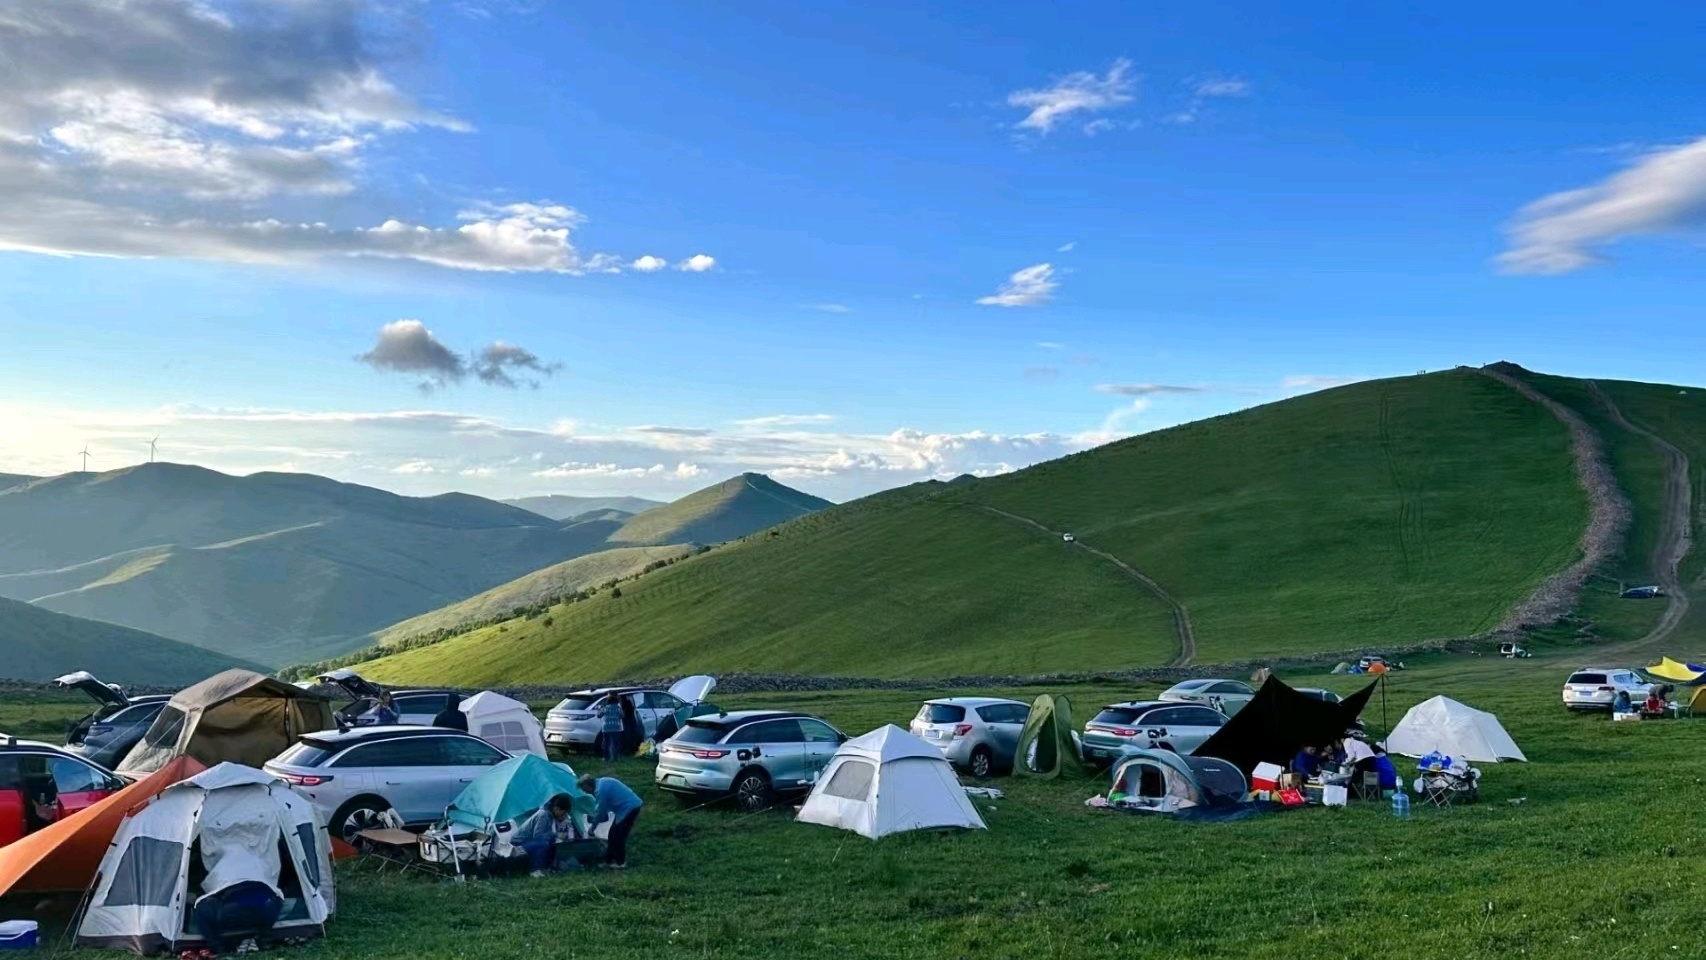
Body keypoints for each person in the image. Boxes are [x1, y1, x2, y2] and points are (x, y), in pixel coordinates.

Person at [578, 774, 643, 869]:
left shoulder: (600, 791)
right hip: (624, 808)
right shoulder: (601, 782)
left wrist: (592, 828)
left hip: (629, 808)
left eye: (585, 790)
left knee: (619, 836)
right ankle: (609, 860)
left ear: (587, 785)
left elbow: (601, 811)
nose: (586, 792)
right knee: (612, 834)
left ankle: (620, 862)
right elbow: (604, 810)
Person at [512, 794, 580, 878]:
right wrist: (554, 835)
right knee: (543, 843)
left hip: (530, 841)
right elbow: (538, 835)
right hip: (519, 843)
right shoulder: (543, 815)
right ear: (556, 808)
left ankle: (548, 867)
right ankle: (535, 870)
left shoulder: (550, 815)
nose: (562, 816)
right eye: (562, 813)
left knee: (552, 844)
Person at [600, 696, 624, 762]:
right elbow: (622, 716)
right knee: (616, 743)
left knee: (606, 743)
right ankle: (615, 758)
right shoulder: (618, 708)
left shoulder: (604, 708)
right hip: (616, 727)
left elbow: (599, 715)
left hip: (606, 727)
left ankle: (606, 758)